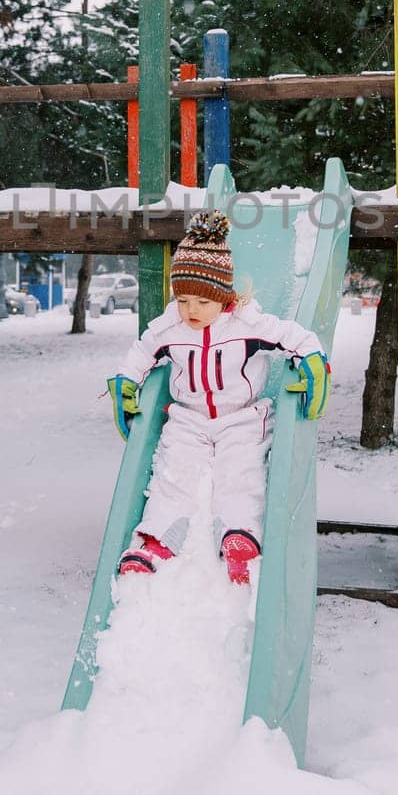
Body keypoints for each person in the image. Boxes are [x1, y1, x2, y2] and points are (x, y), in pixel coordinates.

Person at [106, 211, 331, 585]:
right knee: (172, 473)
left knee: (240, 471)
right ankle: (158, 539)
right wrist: (126, 383)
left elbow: (297, 337)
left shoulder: (247, 324)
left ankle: (239, 535)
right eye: (183, 300)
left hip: (241, 416)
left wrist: (312, 361)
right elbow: (142, 350)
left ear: (223, 297)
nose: (191, 310)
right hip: (188, 417)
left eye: (202, 302)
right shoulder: (171, 327)